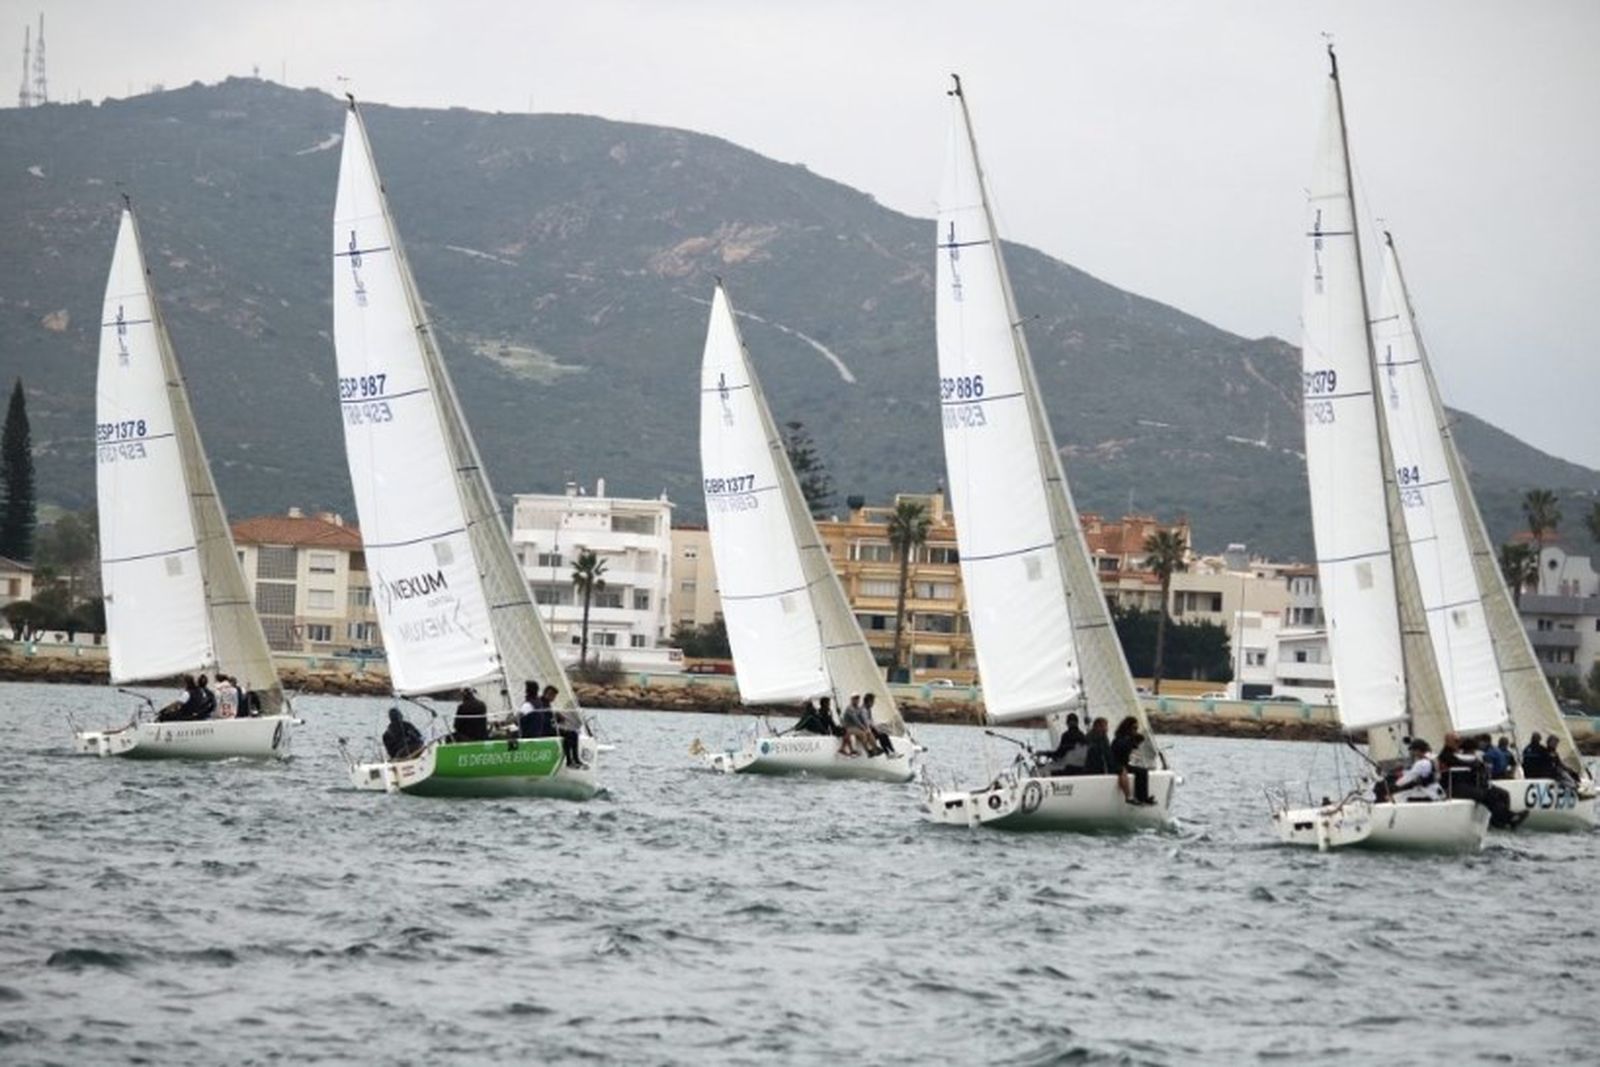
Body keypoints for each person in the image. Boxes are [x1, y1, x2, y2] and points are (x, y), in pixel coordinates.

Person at [1439, 734, 1516, 828]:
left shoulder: (1454, 754)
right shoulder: (1446, 755)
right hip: (1453, 787)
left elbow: (1463, 763)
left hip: (1462, 784)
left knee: (1499, 794)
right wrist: (1474, 764)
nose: (1458, 743)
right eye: (1456, 741)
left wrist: (1476, 765)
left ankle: (1505, 818)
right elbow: (1459, 763)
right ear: (1448, 742)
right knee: (1485, 795)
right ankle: (1505, 818)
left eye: (1459, 741)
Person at [1374, 738, 1442, 802]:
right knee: (1403, 794)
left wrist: (1394, 786)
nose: (1412, 753)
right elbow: (1414, 772)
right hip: (1437, 789)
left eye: (1413, 750)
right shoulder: (1433, 757)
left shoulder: (1421, 763)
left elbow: (1407, 778)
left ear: (1417, 750)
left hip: (1428, 792)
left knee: (1395, 797)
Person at [1111, 716, 1154, 805]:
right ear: (1128, 727)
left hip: (1124, 763)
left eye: (1136, 728)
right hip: (1117, 763)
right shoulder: (1120, 738)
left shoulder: (1128, 738)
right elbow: (1122, 747)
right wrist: (1132, 741)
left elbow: (1133, 745)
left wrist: (1135, 741)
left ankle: (1143, 797)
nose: (1135, 730)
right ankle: (1135, 797)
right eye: (1134, 728)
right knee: (1136, 771)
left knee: (1142, 772)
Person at [553, 689, 584, 769]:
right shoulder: (543, 704)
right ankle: (569, 761)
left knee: (574, 734)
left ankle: (576, 759)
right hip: (550, 728)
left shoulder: (572, 704)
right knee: (569, 734)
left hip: (557, 726)